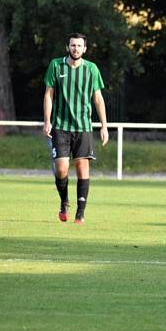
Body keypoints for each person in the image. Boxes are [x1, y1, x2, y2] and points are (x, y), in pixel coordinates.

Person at [43, 32, 108, 224]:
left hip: (83, 127)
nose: (76, 49)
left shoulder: (91, 69)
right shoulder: (56, 65)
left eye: (79, 46)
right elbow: (48, 94)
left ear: (85, 49)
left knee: (82, 167)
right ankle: (64, 201)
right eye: (72, 45)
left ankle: (80, 212)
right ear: (67, 47)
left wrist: (104, 126)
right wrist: (47, 120)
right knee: (61, 168)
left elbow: (98, 98)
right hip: (61, 126)